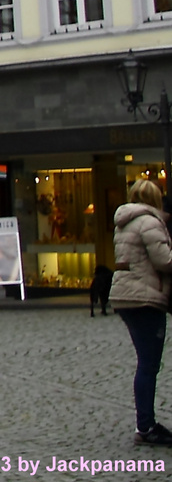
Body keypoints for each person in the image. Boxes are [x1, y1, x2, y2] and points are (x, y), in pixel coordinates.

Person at [111, 179, 172, 446]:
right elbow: (164, 260)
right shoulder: (149, 221)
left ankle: (145, 424)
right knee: (149, 364)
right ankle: (146, 426)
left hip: (126, 295)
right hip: (144, 297)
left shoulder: (124, 222)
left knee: (145, 363)